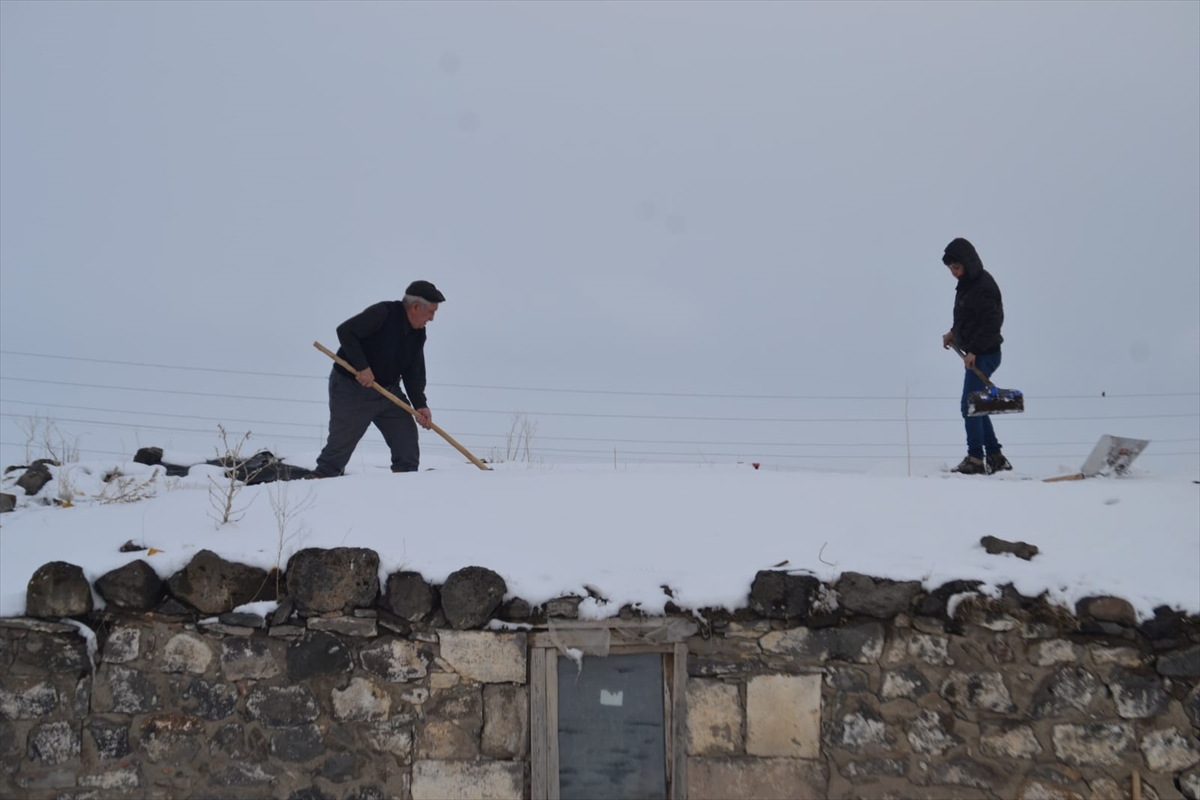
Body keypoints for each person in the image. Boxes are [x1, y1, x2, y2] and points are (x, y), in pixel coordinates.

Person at [311, 281, 445, 478]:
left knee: (406, 443)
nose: (432, 318)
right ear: (416, 307)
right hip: (352, 389)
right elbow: (346, 331)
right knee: (336, 454)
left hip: (388, 392)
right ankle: (319, 482)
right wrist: (362, 367)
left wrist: (420, 404)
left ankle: (405, 486)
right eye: (431, 312)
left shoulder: (418, 333)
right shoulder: (383, 313)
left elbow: (413, 371)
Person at [940, 238, 1012, 475]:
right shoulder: (967, 283)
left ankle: (975, 459)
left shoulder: (983, 285)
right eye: (951, 269)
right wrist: (954, 333)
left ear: (968, 263)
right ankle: (995, 456)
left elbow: (991, 323)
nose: (954, 273)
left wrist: (975, 351)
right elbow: (967, 317)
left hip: (986, 354)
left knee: (969, 404)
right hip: (976, 353)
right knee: (977, 405)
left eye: (957, 268)